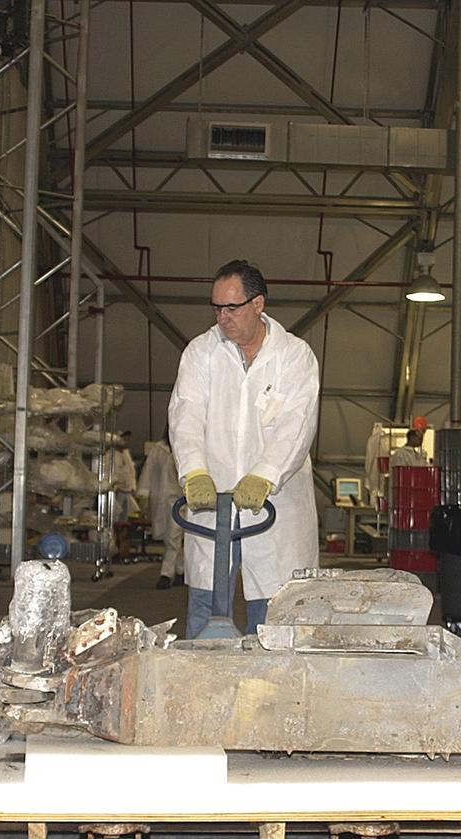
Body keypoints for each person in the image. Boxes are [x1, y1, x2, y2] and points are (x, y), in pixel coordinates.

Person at [167, 259, 320, 638]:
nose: (223, 317)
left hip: (274, 506)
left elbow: (297, 425)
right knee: (205, 603)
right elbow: (186, 415)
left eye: (232, 307)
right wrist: (194, 470)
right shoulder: (200, 353)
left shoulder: (294, 357)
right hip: (211, 501)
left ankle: (270, 692)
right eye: (217, 307)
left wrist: (266, 475)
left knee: (271, 613)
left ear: (258, 304)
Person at [137, 430, 185, 590]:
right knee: (171, 536)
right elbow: (149, 471)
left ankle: (166, 574)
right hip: (164, 499)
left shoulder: (187, 447)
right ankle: (180, 571)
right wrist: (143, 493)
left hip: (184, 500)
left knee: (175, 537)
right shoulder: (159, 449)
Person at [106, 431, 139, 558]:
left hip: (127, 492)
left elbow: (131, 472)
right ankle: (114, 547)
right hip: (116, 492)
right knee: (115, 521)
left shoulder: (126, 454)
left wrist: (133, 488)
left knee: (125, 521)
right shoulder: (110, 455)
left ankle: (123, 549)